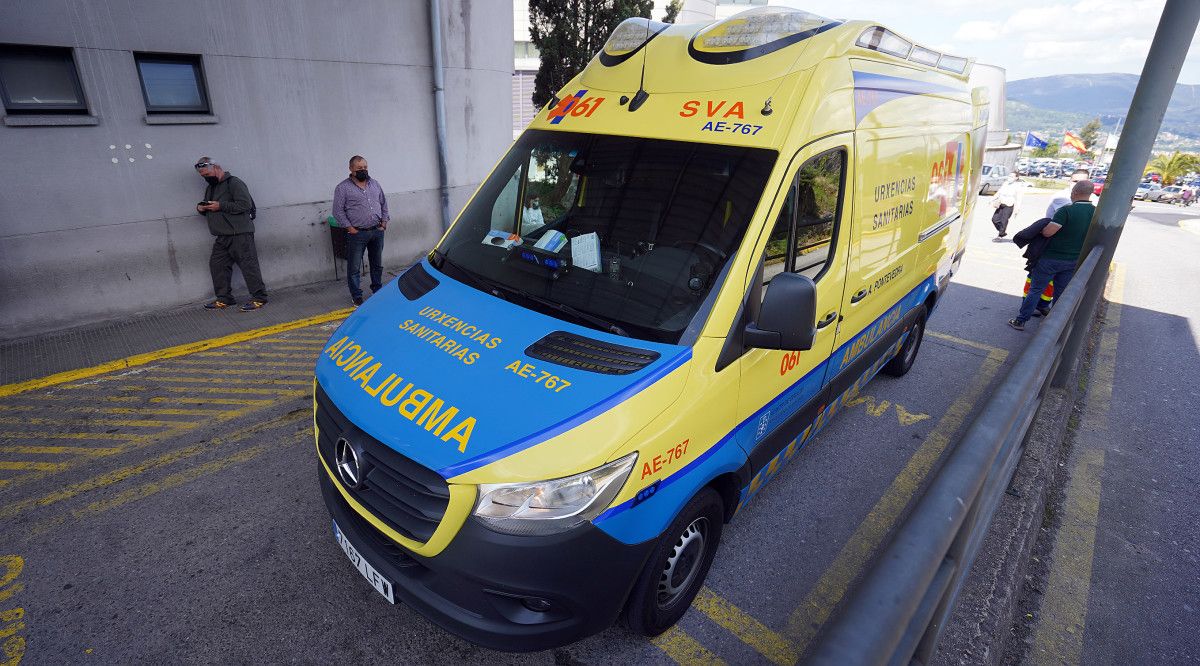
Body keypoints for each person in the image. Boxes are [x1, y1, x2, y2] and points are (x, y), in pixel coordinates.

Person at [1009, 180, 1095, 330]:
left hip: (1050, 259)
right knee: (1061, 294)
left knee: (1035, 290)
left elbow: (1049, 232)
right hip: (1073, 260)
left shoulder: (1066, 211)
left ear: (1074, 192)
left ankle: (1021, 320)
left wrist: (1043, 227)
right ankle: (1055, 326)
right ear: (1090, 194)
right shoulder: (1096, 212)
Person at [195, 157, 269, 311]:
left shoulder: (234, 183)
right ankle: (224, 299)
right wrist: (202, 209)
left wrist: (220, 206)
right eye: (202, 176)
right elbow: (212, 208)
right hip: (222, 236)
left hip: (240, 234)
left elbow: (245, 204)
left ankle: (259, 298)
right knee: (217, 265)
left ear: (216, 167)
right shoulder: (211, 188)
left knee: (249, 265)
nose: (205, 178)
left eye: (207, 174)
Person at [332, 155, 389, 306]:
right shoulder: (342, 188)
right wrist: (350, 228)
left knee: (377, 264)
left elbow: (383, 203)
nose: (363, 170)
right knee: (354, 267)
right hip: (357, 233)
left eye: (365, 167)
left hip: (377, 231)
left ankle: (377, 289)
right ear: (351, 169)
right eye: (359, 168)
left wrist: (384, 223)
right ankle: (356, 295)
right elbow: (337, 211)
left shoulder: (374, 184)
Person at [990, 174, 1022, 239]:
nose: (1010, 177)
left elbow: (1019, 199)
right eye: (1009, 176)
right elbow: (999, 192)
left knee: (1004, 220)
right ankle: (1002, 231)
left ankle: (1000, 235)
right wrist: (991, 199)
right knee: (994, 219)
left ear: (1016, 178)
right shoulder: (1005, 183)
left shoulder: (1018, 186)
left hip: (1009, 205)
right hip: (1001, 203)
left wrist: (1017, 209)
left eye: (1012, 176)